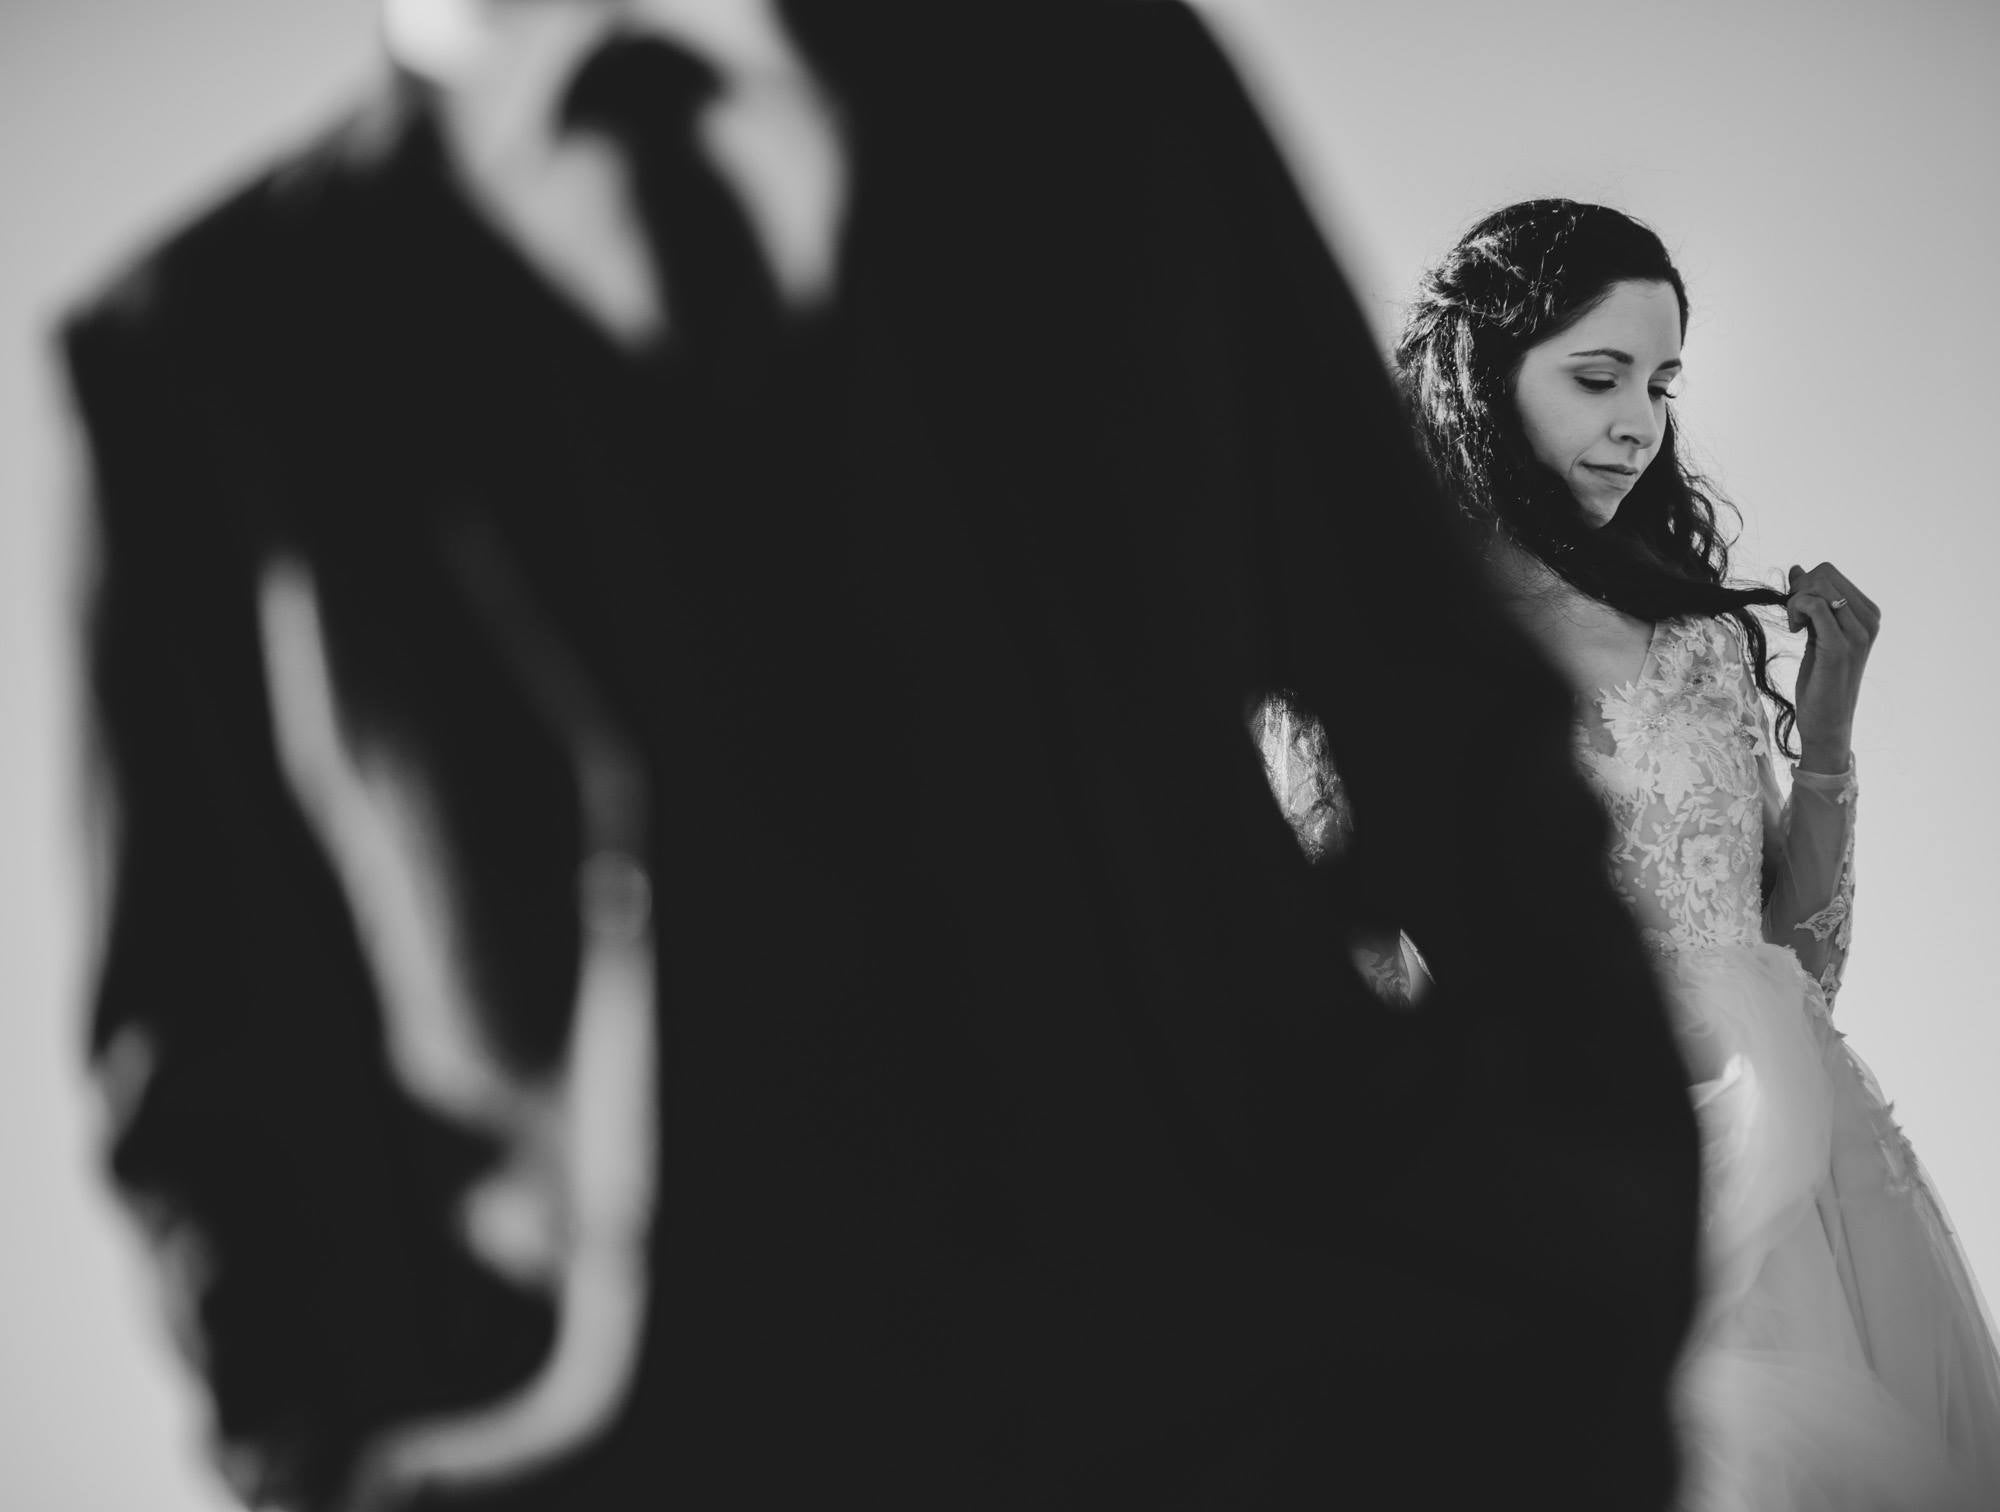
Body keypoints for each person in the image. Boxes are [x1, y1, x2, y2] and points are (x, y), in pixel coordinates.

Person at [60, 6, 1702, 1507]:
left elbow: (1431, 696)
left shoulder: (1112, 96)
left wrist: (1583, 1277)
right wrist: (340, 1461)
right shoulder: (199, 353)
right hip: (648, 1457)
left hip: (1304, 1400)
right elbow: (210, 1038)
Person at [1352, 197, 2000, 1508]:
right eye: (1597, 377)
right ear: (1482, 375)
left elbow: (1798, 961)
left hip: (1796, 1187)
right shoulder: (1385, 636)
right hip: (1552, 1165)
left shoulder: (1700, 638)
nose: (1638, 421)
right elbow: (1328, 954)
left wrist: (1825, 734)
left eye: (1658, 382)